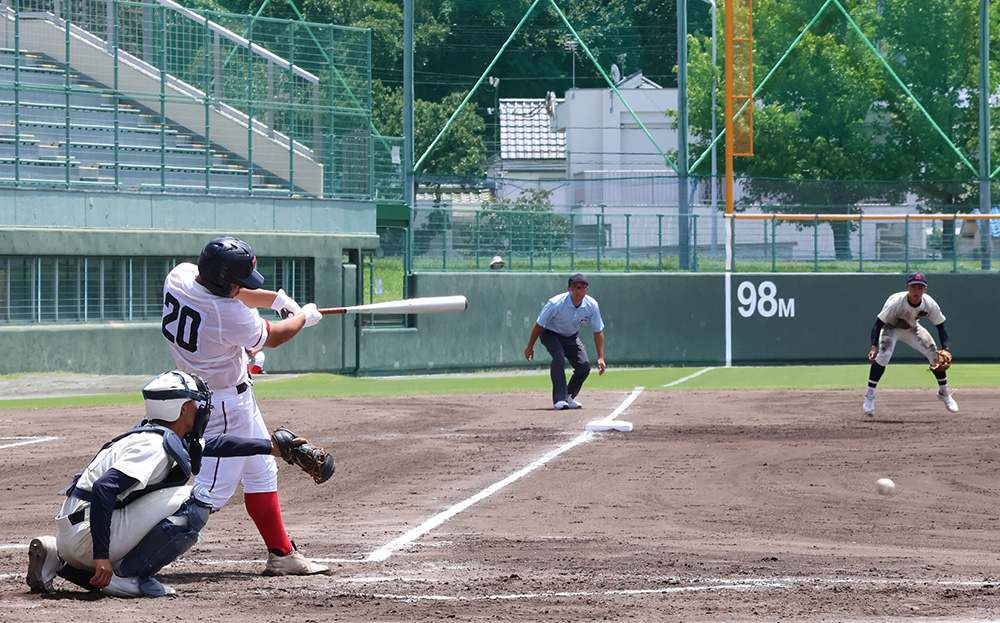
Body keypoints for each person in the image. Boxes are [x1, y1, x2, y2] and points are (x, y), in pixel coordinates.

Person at [25, 371, 314, 597]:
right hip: (89, 537)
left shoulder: (153, 434)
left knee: (168, 497)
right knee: (196, 499)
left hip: (72, 535)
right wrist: (101, 557)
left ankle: (56, 555)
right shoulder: (154, 446)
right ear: (183, 409)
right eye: (196, 404)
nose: (202, 410)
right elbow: (104, 488)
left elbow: (215, 443)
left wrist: (271, 447)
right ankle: (125, 577)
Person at [161, 236, 327, 576]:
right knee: (211, 495)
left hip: (219, 393)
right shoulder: (227, 313)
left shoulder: (179, 276)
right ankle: (126, 545)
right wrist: (303, 317)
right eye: (237, 281)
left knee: (262, 471)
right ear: (223, 280)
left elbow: (237, 294)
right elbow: (275, 336)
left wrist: (277, 300)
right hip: (221, 405)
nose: (241, 288)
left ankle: (282, 554)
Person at [864, 272, 957, 416]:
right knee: (884, 356)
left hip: (912, 329)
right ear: (907, 287)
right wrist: (873, 347)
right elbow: (877, 324)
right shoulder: (896, 302)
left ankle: (944, 393)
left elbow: (941, 326)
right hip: (891, 328)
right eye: (914, 286)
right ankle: (870, 396)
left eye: (920, 287)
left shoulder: (929, 303)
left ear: (925, 289)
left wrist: (946, 348)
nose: (917, 290)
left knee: (936, 356)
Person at [524, 273, 606, 410]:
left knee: (584, 366)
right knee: (558, 356)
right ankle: (559, 400)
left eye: (582, 287)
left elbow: (598, 331)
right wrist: (530, 347)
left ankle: (569, 396)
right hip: (550, 333)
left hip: (571, 336)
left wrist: (601, 357)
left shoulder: (592, 305)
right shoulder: (556, 303)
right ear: (569, 288)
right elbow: (539, 325)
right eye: (575, 287)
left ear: (587, 289)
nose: (578, 291)